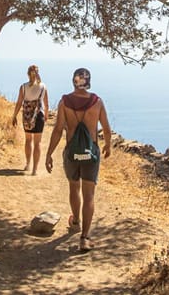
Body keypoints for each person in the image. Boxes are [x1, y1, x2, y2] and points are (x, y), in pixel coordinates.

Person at [45, 67, 112, 251]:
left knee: (74, 187)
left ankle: (75, 220)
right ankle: (85, 237)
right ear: (88, 81)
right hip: (91, 154)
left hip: (72, 153)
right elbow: (106, 128)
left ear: (73, 81)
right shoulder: (96, 102)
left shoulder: (65, 101)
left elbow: (58, 129)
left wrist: (49, 153)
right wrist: (107, 145)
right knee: (89, 194)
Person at [11, 64, 49, 174]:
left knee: (28, 140)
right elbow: (46, 104)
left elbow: (19, 103)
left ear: (28, 74)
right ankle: (35, 169)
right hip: (39, 116)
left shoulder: (23, 87)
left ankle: (28, 164)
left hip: (27, 116)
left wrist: (14, 116)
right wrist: (46, 115)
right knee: (38, 143)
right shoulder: (43, 87)